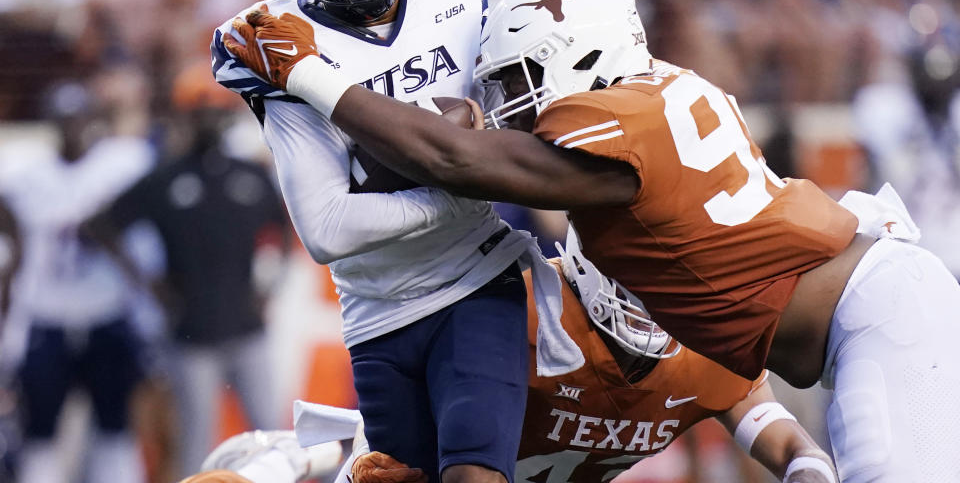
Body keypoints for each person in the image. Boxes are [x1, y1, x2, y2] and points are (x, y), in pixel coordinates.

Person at [223, 0, 960, 482]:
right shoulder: (664, 96)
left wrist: (312, 75)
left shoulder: (618, 125)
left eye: (517, 80)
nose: (508, 104)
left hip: (871, 318)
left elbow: (456, 157)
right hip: (875, 308)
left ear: (579, 55)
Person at [210, 0, 572, 482]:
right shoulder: (285, 42)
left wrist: (484, 172)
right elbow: (325, 230)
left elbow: (515, 105)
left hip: (476, 278)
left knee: (475, 472)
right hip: (378, 313)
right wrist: (458, 189)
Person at [176, 240, 838, 483]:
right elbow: (397, 428)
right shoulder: (518, 311)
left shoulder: (708, 350)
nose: (658, 307)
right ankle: (280, 459)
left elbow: (783, 440)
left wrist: (810, 471)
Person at [87, 64, 290, 476]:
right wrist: (145, 283)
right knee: (196, 441)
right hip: (191, 332)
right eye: (199, 111)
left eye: (214, 110)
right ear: (184, 116)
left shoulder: (249, 174)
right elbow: (101, 225)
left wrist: (270, 287)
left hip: (247, 326)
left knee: (273, 440)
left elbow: (284, 230)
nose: (208, 119)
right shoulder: (165, 178)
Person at [0, 80, 153, 483]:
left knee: (115, 430)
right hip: (46, 316)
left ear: (92, 120)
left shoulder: (123, 164)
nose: (71, 127)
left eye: (78, 117)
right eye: (64, 118)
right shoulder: (24, 173)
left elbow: (142, 243)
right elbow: (13, 252)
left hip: (106, 314)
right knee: (39, 433)